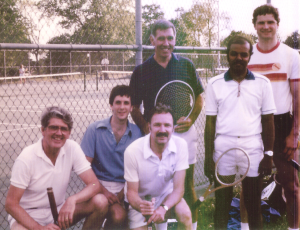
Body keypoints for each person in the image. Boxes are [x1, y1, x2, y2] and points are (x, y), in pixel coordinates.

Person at [129, 19, 204, 229]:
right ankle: (154, 223)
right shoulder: (141, 71)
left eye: (170, 38)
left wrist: (191, 119)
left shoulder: (186, 65)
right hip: (156, 136)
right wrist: (146, 127)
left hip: (183, 134)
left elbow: (200, 97)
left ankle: (192, 225)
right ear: (152, 40)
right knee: (154, 184)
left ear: (175, 39)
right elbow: (134, 107)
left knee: (187, 185)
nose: (166, 43)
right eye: (160, 38)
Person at [204, 35, 276, 230]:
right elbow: (210, 124)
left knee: (254, 206)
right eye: (234, 54)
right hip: (223, 148)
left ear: (250, 56)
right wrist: (208, 157)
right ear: (227, 55)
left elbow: (268, 121)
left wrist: (268, 155)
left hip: (252, 147)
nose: (239, 58)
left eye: (243, 54)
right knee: (222, 205)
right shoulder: (214, 83)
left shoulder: (263, 83)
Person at [239, 4, 300, 230]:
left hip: (282, 123)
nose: (266, 26)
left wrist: (294, 134)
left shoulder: (291, 55)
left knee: (291, 185)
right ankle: (246, 227)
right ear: (254, 25)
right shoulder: (246, 55)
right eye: (261, 22)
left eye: (270, 22)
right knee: (248, 184)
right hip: (252, 125)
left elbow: (297, 99)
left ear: (277, 25)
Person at [5, 106, 108, 230]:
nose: (59, 133)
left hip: (59, 210)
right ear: (43, 130)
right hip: (30, 215)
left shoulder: (72, 148)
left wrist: (72, 200)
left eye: (63, 129)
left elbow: (94, 185)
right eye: (54, 127)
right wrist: (39, 228)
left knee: (100, 202)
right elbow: (11, 204)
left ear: (69, 133)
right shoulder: (26, 158)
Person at [81, 85, 143, 229]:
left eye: (126, 103)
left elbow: (138, 170)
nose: (122, 107)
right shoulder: (94, 129)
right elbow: (84, 168)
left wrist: (123, 193)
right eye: (118, 102)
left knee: (118, 215)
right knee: (101, 206)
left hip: (125, 186)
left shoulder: (137, 133)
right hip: (98, 185)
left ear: (131, 107)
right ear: (111, 105)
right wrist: (103, 191)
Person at [124, 104, 192, 230]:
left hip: (166, 197)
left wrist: (163, 208)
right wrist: (142, 206)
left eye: (167, 125)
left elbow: (179, 190)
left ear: (173, 128)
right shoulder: (132, 151)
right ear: (149, 127)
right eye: (157, 125)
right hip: (141, 201)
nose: (162, 130)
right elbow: (132, 194)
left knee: (186, 215)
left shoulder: (181, 145)